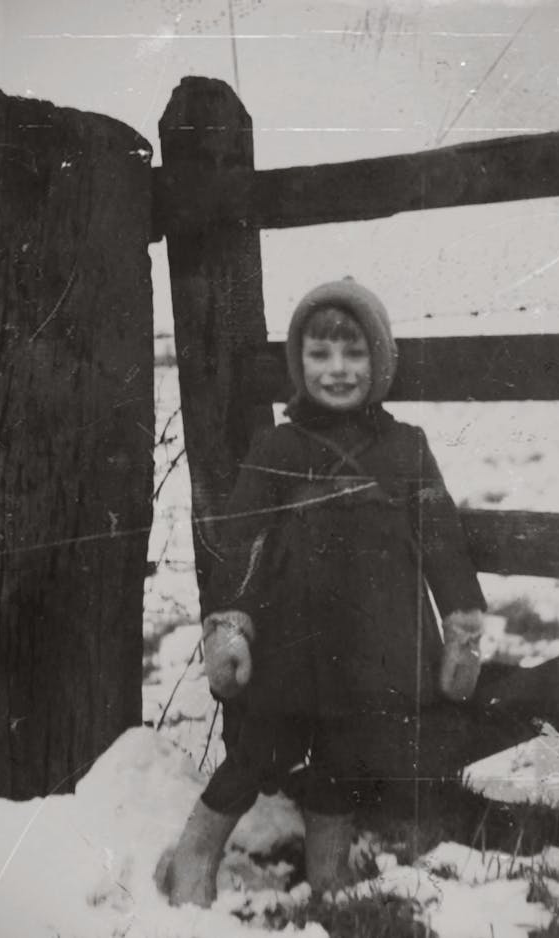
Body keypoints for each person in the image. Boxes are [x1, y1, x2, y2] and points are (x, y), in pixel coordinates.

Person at [162, 278, 486, 907]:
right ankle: (195, 855)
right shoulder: (277, 447)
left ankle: (328, 872)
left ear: (380, 360)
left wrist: (462, 627)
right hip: (290, 644)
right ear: (298, 363)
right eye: (319, 355)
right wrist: (230, 624)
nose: (337, 370)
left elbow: (443, 544)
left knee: (346, 753)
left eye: (354, 354)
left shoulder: (405, 448)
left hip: (372, 646)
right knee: (256, 751)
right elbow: (241, 539)